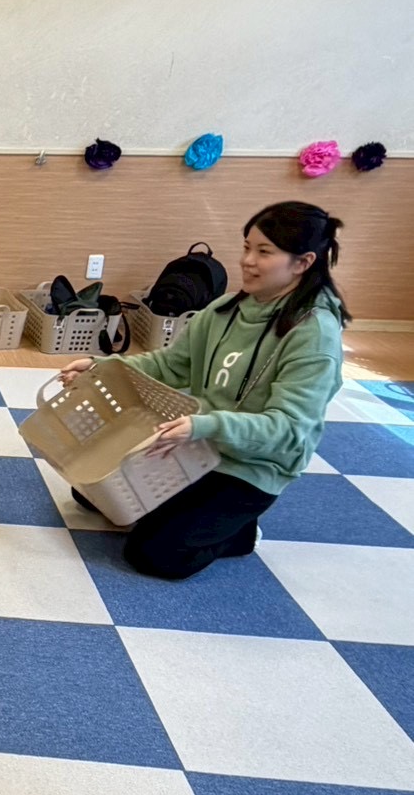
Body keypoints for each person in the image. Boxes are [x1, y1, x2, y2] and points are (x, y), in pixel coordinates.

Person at [58, 201, 349, 580]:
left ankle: (239, 533)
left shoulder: (314, 335)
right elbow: (169, 365)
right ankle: (198, 514)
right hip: (195, 443)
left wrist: (205, 425)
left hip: (250, 466)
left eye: (264, 252)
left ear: (303, 263)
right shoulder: (225, 309)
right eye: (247, 247)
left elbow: (289, 429)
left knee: (153, 555)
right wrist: (103, 367)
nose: (247, 261)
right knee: (90, 493)